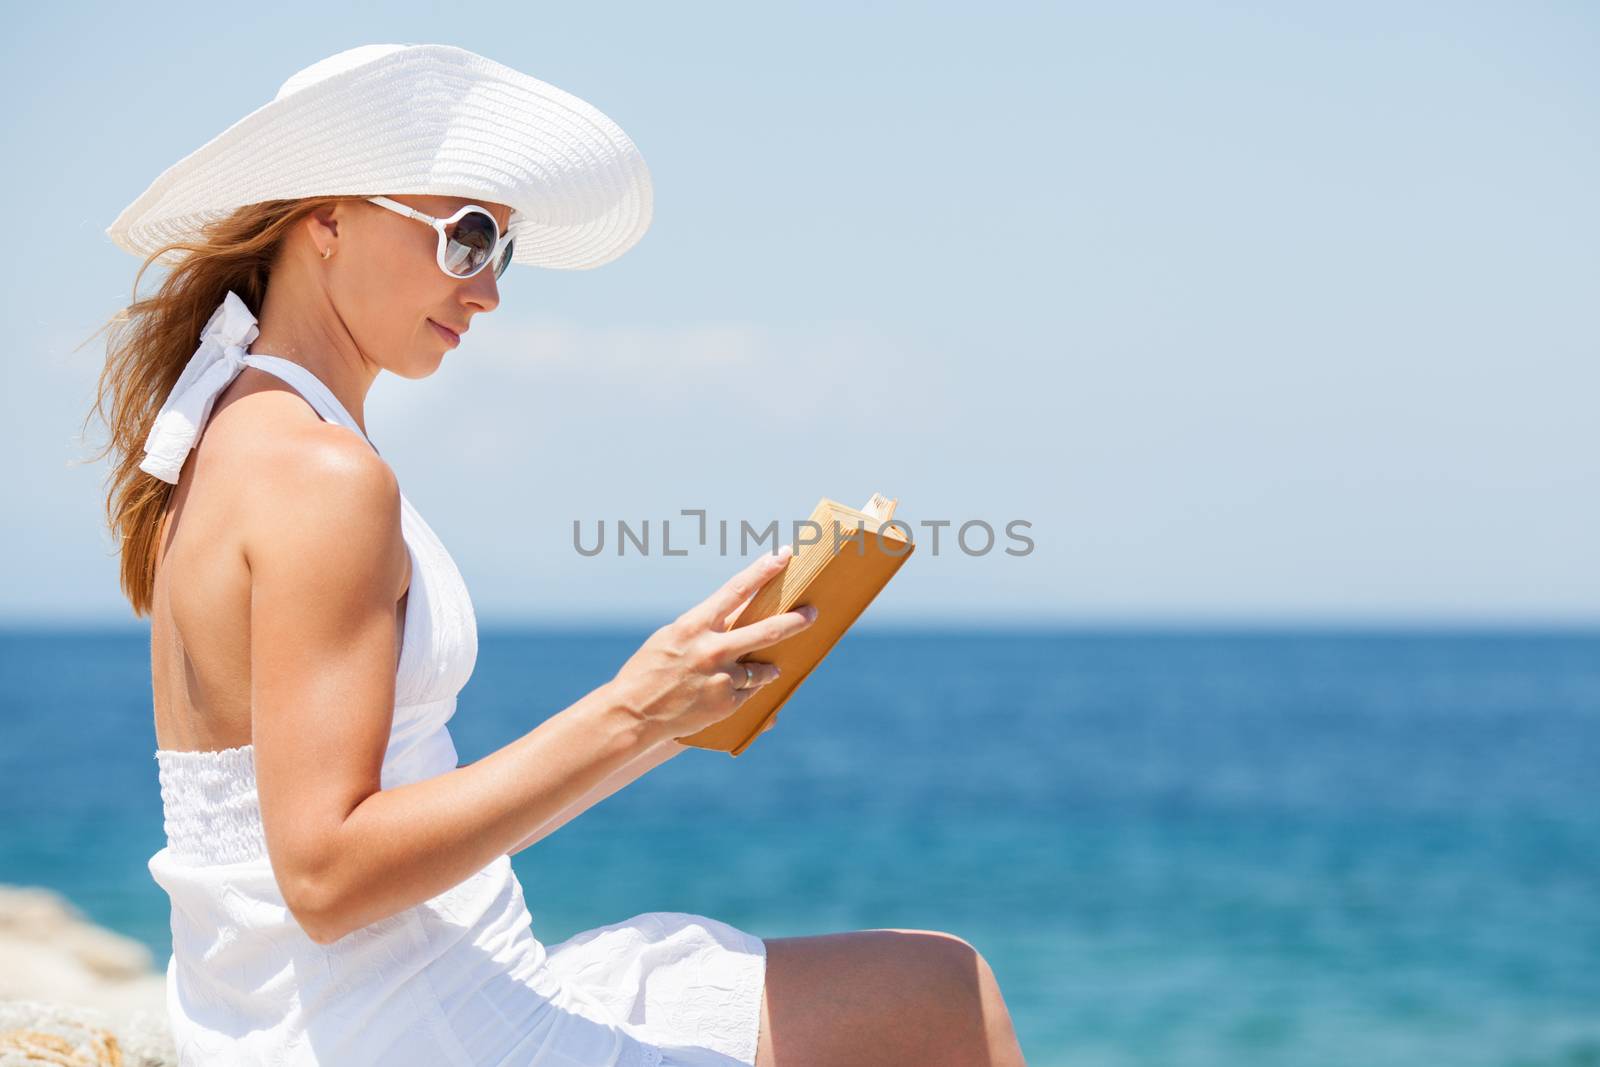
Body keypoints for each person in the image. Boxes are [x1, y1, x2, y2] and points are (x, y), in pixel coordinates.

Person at [91, 43, 1026, 1066]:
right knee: (946, 996)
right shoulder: (323, 477)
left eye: (503, 248)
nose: (488, 289)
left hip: (328, 1010)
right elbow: (327, 874)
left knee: (931, 981)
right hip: (398, 1030)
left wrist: (678, 712)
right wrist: (632, 708)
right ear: (327, 221)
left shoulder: (232, 434)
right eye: (467, 238)